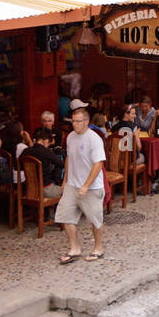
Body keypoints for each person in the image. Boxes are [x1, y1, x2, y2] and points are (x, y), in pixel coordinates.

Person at [56, 106, 105, 263]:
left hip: (91, 187)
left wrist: (86, 185)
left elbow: (98, 164)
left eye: (78, 121)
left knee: (95, 219)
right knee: (66, 216)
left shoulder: (94, 139)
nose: (74, 124)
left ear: (86, 121)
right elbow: (69, 158)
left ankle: (98, 248)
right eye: (73, 121)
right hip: (72, 184)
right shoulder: (70, 137)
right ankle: (75, 247)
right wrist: (65, 181)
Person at [19, 128, 65, 198]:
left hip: (29, 189)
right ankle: (52, 208)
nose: (49, 144)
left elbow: (18, 167)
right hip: (45, 190)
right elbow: (62, 164)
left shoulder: (26, 151)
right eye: (49, 142)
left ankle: (48, 208)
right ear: (46, 140)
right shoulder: (46, 152)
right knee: (67, 191)